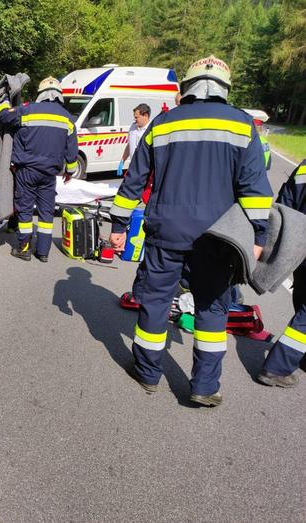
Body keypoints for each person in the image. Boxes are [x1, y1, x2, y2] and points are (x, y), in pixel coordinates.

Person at [108, 55, 273, 407]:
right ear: (225, 89)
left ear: (187, 87)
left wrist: (119, 226)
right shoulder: (243, 126)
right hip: (220, 239)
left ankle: (147, 372)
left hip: (166, 233)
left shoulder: (163, 123)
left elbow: (134, 180)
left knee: (154, 303)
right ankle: (205, 386)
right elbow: (256, 193)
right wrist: (258, 240)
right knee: (212, 310)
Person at [0, 76, 79, 262]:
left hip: (26, 171)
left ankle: (24, 248)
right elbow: (72, 150)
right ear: (59, 95)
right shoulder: (67, 118)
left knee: (25, 209)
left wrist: (3, 100)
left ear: (40, 94)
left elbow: (3, 116)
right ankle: (43, 252)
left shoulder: (27, 110)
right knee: (46, 212)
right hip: (50, 173)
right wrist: (70, 171)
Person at [258, 159, 306, 387]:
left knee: (303, 297)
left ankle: (300, 354)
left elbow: (285, 203)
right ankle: (277, 368)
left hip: (301, 244)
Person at [117, 104, 151, 177]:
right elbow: (129, 145)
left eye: (137, 117)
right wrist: (122, 160)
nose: (134, 119)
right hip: (133, 168)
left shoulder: (151, 130)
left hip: (146, 170)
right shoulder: (133, 127)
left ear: (145, 115)